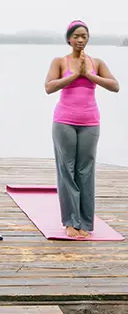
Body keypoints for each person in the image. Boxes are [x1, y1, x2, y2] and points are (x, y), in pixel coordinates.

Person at [45, 20, 119, 238]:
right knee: (66, 170)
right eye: (76, 36)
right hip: (64, 121)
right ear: (69, 38)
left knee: (85, 171)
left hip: (90, 122)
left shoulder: (96, 62)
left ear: (88, 39)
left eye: (84, 36)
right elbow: (48, 87)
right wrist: (75, 75)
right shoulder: (60, 61)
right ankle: (70, 221)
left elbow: (115, 86)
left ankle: (85, 222)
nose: (80, 40)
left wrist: (89, 75)